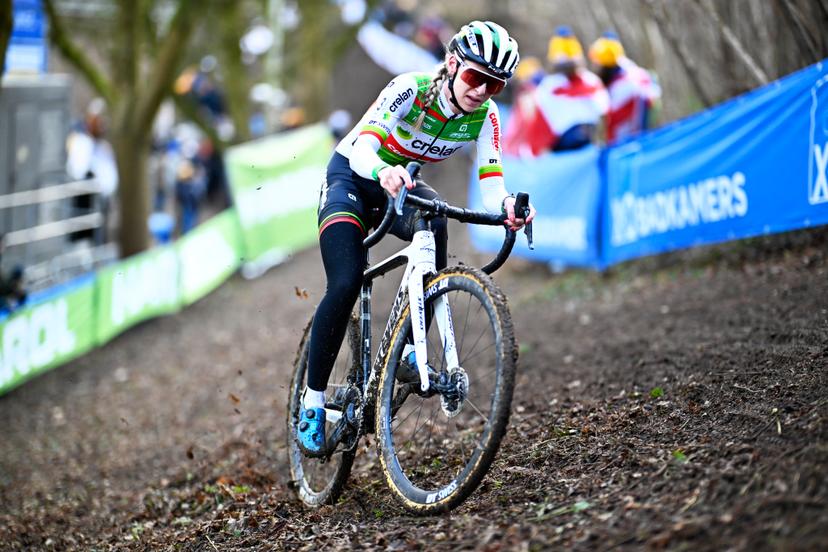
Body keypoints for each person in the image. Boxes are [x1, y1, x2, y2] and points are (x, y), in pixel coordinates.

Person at [297, 20, 536, 456]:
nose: (482, 90)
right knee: (347, 280)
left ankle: (410, 348)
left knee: (437, 219)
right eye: (475, 77)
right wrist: (383, 170)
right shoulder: (411, 88)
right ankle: (311, 402)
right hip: (353, 176)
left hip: (402, 184)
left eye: (495, 84)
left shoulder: (486, 116)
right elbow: (366, 145)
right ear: (451, 63)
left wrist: (506, 207)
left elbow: (492, 178)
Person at [527, 26, 609, 154]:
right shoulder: (590, 80)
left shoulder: (550, 85)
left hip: (569, 140)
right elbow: (604, 110)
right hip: (581, 138)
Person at [588, 31, 661, 144]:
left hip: (629, 144)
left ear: (606, 65)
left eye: (597, 64)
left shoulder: (623, 85)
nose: (595, 69)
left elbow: (609, 120)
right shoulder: (630, 71)